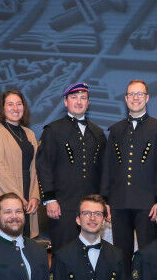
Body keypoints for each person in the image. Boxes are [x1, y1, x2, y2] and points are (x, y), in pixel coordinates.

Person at [100, 79, 157, 274]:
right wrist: (105, 199)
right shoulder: (115, 130)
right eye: (131, 94)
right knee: (121, 255)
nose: (135, 98)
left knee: (147, 254)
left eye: (139, 94)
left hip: (147, 203)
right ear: (126, 99)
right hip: (119, 202)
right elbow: (108, 167)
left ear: (147, 98)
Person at [36, 82, 106, 252]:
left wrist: (104, 202)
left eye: (83, 98)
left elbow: (105, 170)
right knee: (63, 252)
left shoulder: (98, 133)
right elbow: (43, 165)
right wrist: (50, 200)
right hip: (62, 205)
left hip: (91, 208)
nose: (79, 101)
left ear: (88, 103)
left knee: (91, 251)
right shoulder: (52, 130)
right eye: (74, 97)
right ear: (65, 102)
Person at [0, 89, 41, 237]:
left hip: (28, 197)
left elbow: (36, 169)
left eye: (19, 104)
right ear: (2, 108)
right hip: (6, 193)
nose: (15, 108)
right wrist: (18, 198)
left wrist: (35, 197)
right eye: (10, 104)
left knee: (26, 243)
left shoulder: (29, 133)